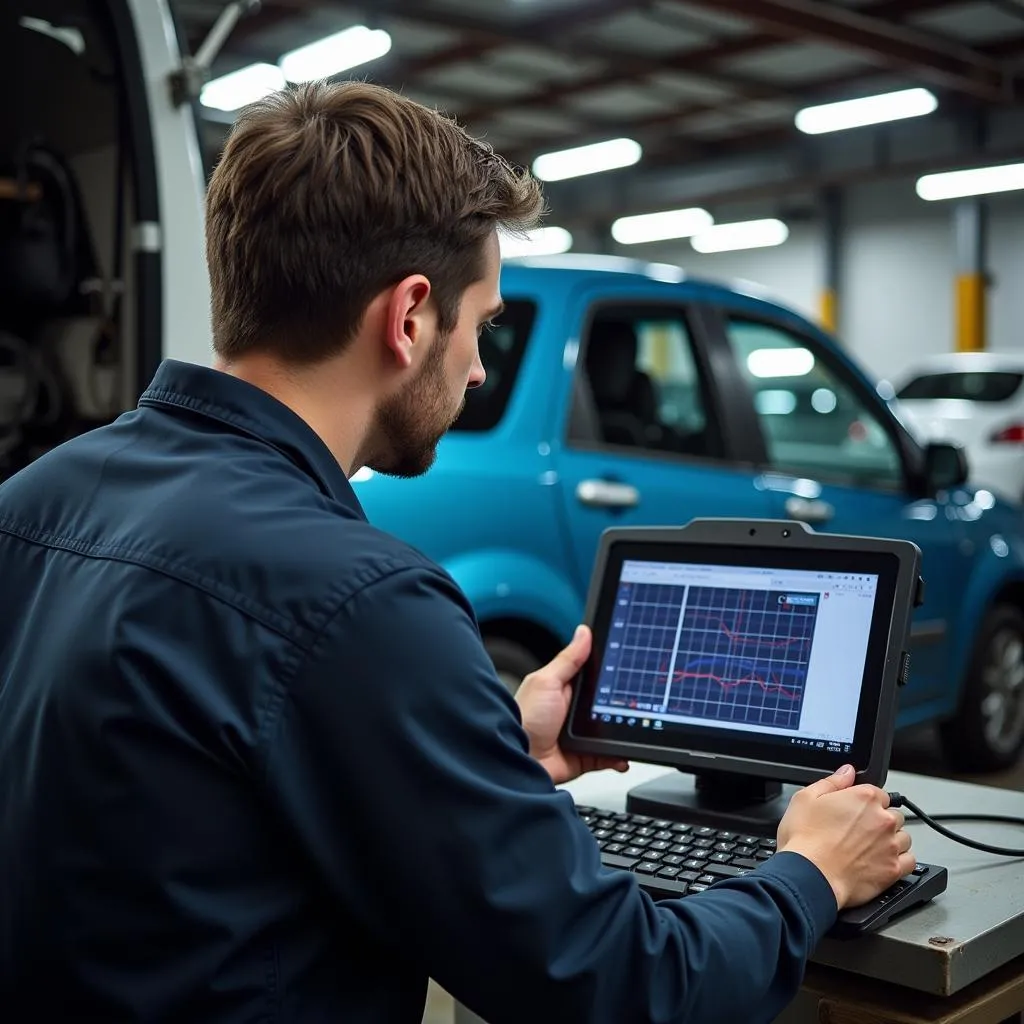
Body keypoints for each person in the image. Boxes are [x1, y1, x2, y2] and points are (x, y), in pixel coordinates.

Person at [0, 80, 913, 1023]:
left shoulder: (31, 500)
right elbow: (622, 988)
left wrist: (493, 753)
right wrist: (808, 871)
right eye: (482, 325)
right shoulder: (358, 603)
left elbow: (183, 805)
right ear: (408, 317)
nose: (478, 367)